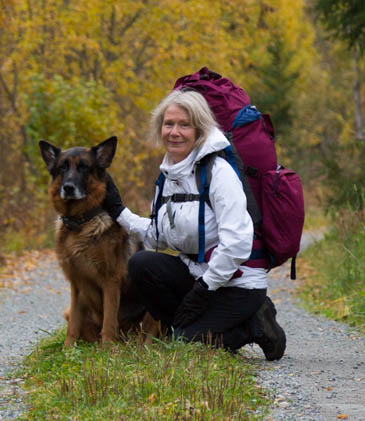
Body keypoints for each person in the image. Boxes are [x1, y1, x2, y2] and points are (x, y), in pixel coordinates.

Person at [101, 89, 286, 360]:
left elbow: (237, 242)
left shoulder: (218, 172)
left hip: (237, 284)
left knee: (186, 344)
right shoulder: (168, 175)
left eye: (184, 125)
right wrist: (119, 212)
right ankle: (186, 327)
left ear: (199, 130)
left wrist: (204, 288)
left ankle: (254, 325)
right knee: (142, 265)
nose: (174, 132)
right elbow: (158, 236)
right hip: (199, 276)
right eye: (169, 124)